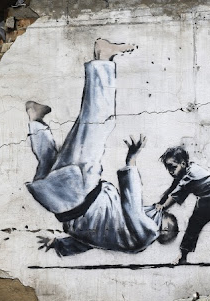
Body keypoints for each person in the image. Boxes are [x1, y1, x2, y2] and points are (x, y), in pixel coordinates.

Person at [26, 39, 178, 257]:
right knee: (51, 162)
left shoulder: (148, 232)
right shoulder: (124, 240)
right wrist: (58, 244)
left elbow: (132, 206)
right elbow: (88, 242)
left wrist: (131, 162)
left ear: (163, 228)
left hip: (82, 190)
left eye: (161, 214)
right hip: (56, 202)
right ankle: (35, 119)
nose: (155, 209)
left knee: (99, 122)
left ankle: (103, 58)